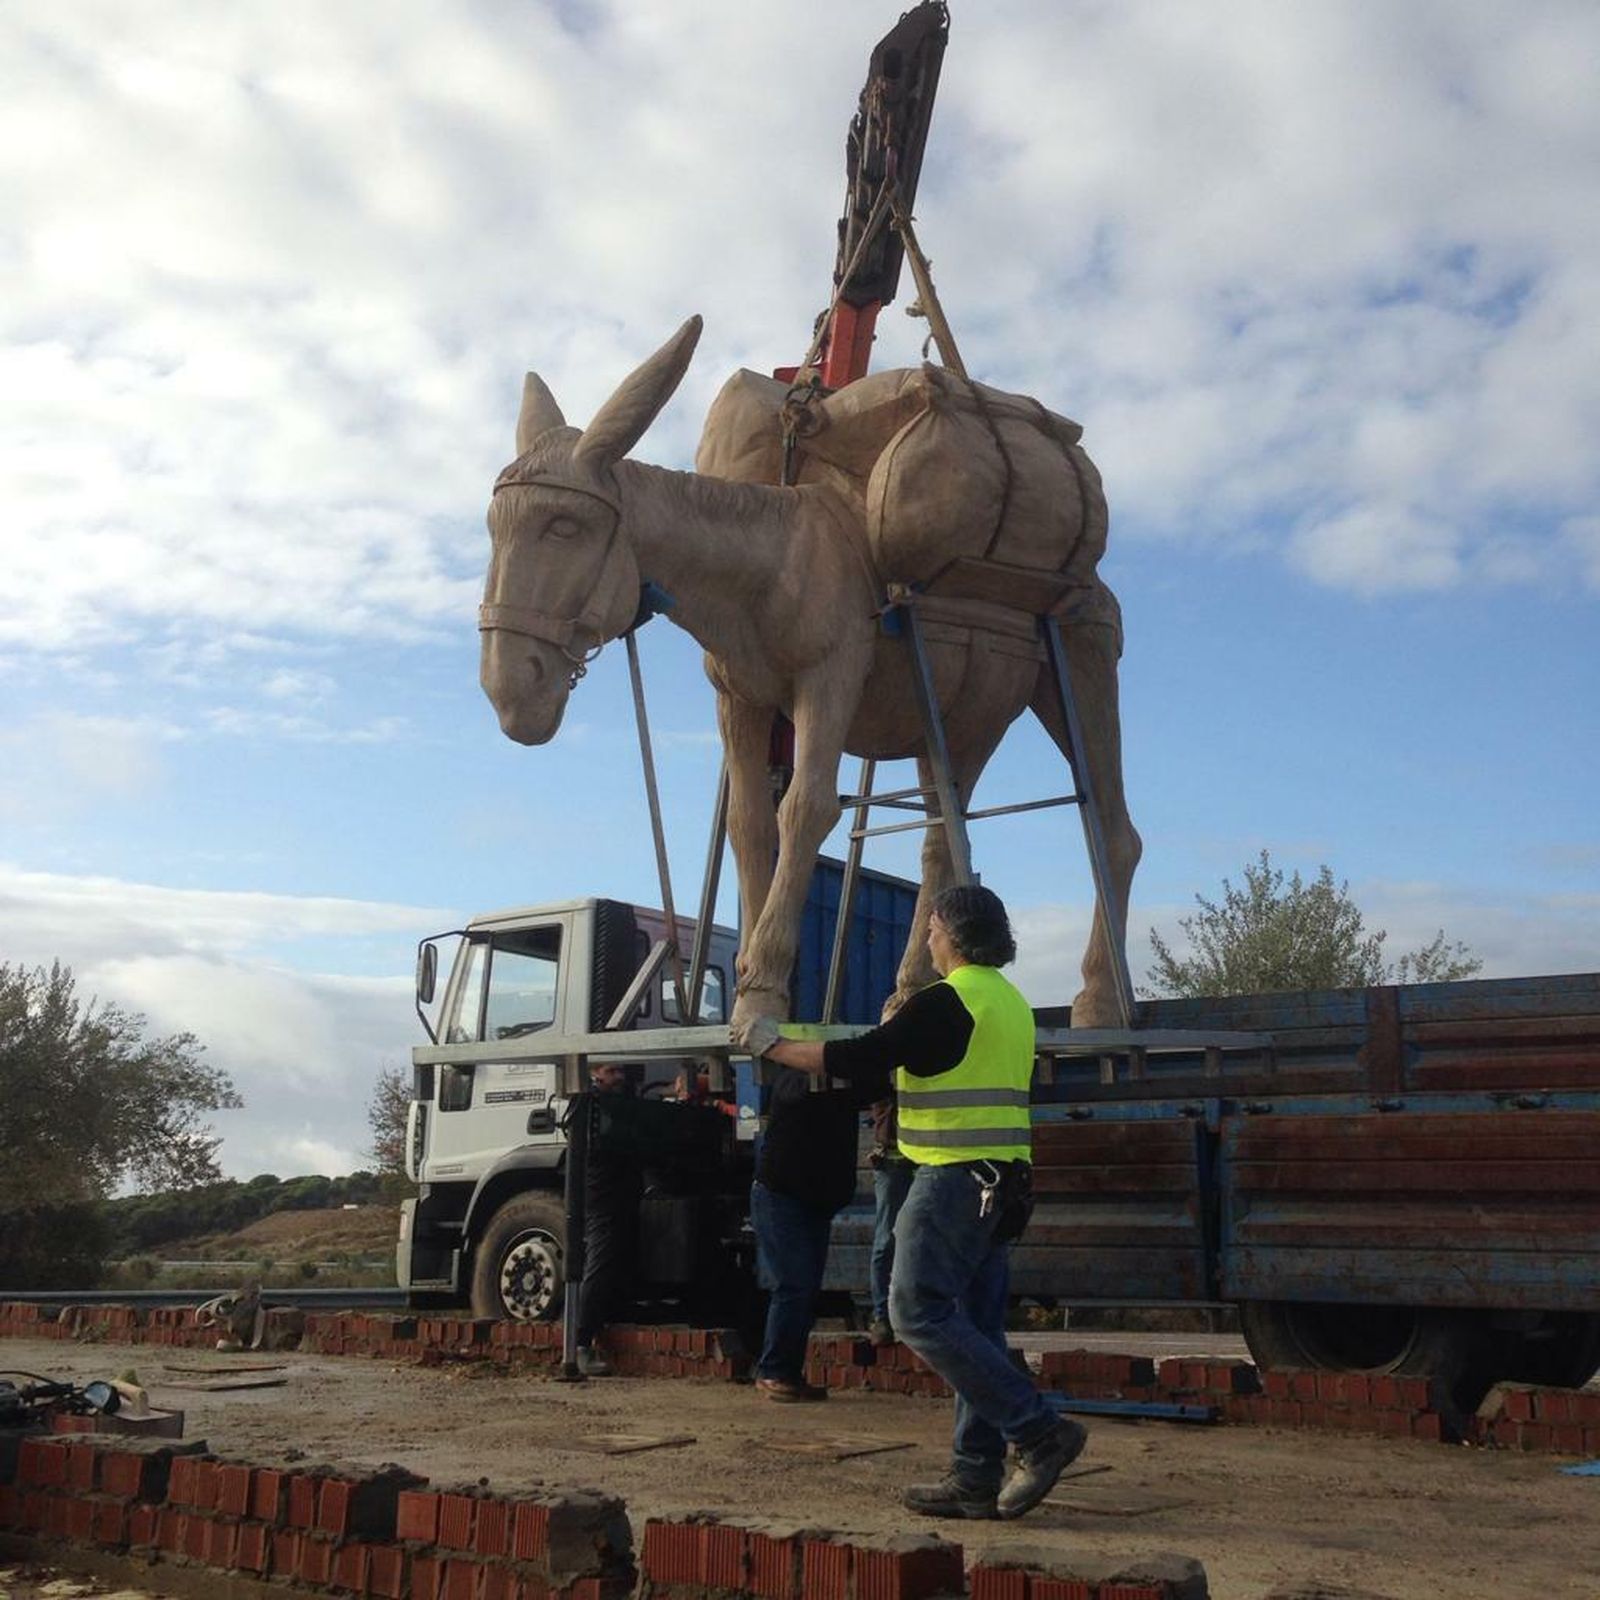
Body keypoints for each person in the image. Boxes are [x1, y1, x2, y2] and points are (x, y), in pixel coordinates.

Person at [735, 884, 1085, 1520]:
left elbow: (862, 1055)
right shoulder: (1010, 1003)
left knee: (914, 1312)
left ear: (952, 935)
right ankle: (975, 1477)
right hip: (1002, 1186)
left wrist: (770, 1044)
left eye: (931, 930)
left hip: (952, 1179)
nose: (927, 939)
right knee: (974, 1327)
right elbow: (889, 1071)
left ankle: (1038, 1431)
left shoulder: (947, 1001)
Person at [747, 1047, 887, 1401]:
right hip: (782, 1196)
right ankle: (774, 1371)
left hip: (811, 1198)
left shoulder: (844, 1088)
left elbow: (877, 1086)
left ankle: (785, 1372)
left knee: (803, 1287)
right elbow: (801, 1089)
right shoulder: (795, 1081)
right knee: (794, 1285)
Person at [574, 1062, 640, 1377]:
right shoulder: (592, 1106)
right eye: (613, 1071)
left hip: (618, 1196)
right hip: (603, 1198)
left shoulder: (605, 1104)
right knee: (598, 1266)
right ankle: (579, 1345)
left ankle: (596, 1332)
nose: (620, 1076)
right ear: (596, 1072)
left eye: (621, 1070)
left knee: (612, 1264)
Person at [866, 1095, 914, 1345]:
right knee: (886, 1241)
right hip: (892, 1160)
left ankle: (894, 1317)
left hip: (926, 1158)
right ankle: (882, 1317)